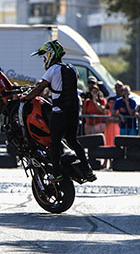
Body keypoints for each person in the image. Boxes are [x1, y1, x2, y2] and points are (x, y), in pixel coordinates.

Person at [22, 40, 95, 182]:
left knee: (54, 143)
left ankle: (57, 174)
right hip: (73, 113)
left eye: (44, 56)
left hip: (59, 112)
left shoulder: (52, 70)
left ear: (51, 54)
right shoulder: (72, 69)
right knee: (73, 141)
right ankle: (87, 169)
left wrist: (26, 97)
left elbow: (40, 88)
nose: (44, 59)